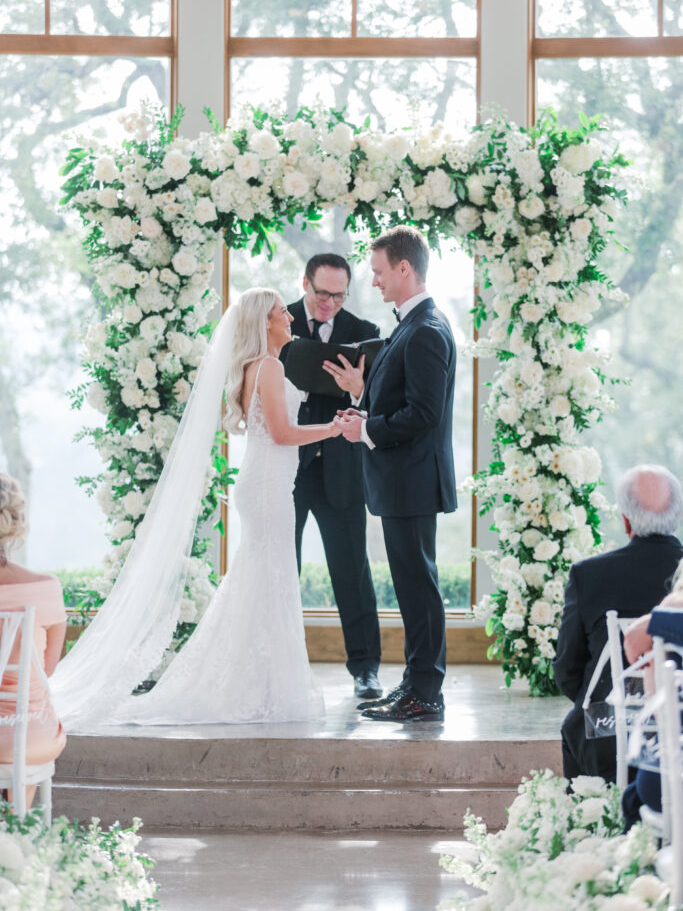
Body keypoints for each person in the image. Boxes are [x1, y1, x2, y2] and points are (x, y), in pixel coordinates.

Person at [52, 289, 341, 727]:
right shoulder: (269, 366)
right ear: (265, 321)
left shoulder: (256, 366)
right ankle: (261, 685)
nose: (290, 316)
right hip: (267, 487)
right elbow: (283, 433)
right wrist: (334, 429)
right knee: (272, 577)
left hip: (267, 484)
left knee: (263, 579)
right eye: (283, 310)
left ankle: (259, 681)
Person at [337, 226, 457, 722]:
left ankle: (426, 693)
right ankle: (414, 682)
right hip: (402, 481)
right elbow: (402, 399)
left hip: (411, 481)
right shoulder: (412, 325)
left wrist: (367, 428)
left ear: (404, 268)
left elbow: (423, 413)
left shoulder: (426, 329)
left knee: (418, 587)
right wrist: (361, 398)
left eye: (380, 270)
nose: (375, 279)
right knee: (411, 585)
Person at [285, 254, 382, 700]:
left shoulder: (364, 333)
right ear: (305, 282)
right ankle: (279, 664)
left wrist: (358, 390)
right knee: (283, 569)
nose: (329, 304)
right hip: (287, 468)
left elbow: (378, 404)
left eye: (339, 295)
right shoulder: (276, 321)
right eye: (322, 293)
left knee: (351, 571)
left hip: (342, 469)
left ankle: (366, 669)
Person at [553, 464, 683, 785]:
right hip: (679, 733)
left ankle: (590, 824)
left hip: (608, 739)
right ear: (677, 517)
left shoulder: (589, 576)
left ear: (625, 520)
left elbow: (567, 671)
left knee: (576, 726)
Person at [0, 473, 67, 807]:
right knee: (23, 734)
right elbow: (48, 668)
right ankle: (15, 826)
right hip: (29, 733)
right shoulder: (46, 587)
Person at [621, 567, 683, 829]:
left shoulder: (672, 609)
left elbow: (660, 708)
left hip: (670, 778)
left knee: (637, 796)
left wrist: (657, 621)